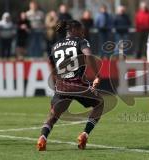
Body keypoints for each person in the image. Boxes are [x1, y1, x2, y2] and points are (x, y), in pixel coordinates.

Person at [36, 20, 104, 151]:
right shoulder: (80, 41)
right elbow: (88, 54)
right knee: (99, 103)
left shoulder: (55, 45)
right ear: (73, 30)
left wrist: (56, 80)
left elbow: (51, 65)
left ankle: (42, 138)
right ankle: (85, 134)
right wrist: (97, 75)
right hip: (78, 85)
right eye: (81, 30)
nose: (83, 33)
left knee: (53, 115)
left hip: (62, 86)